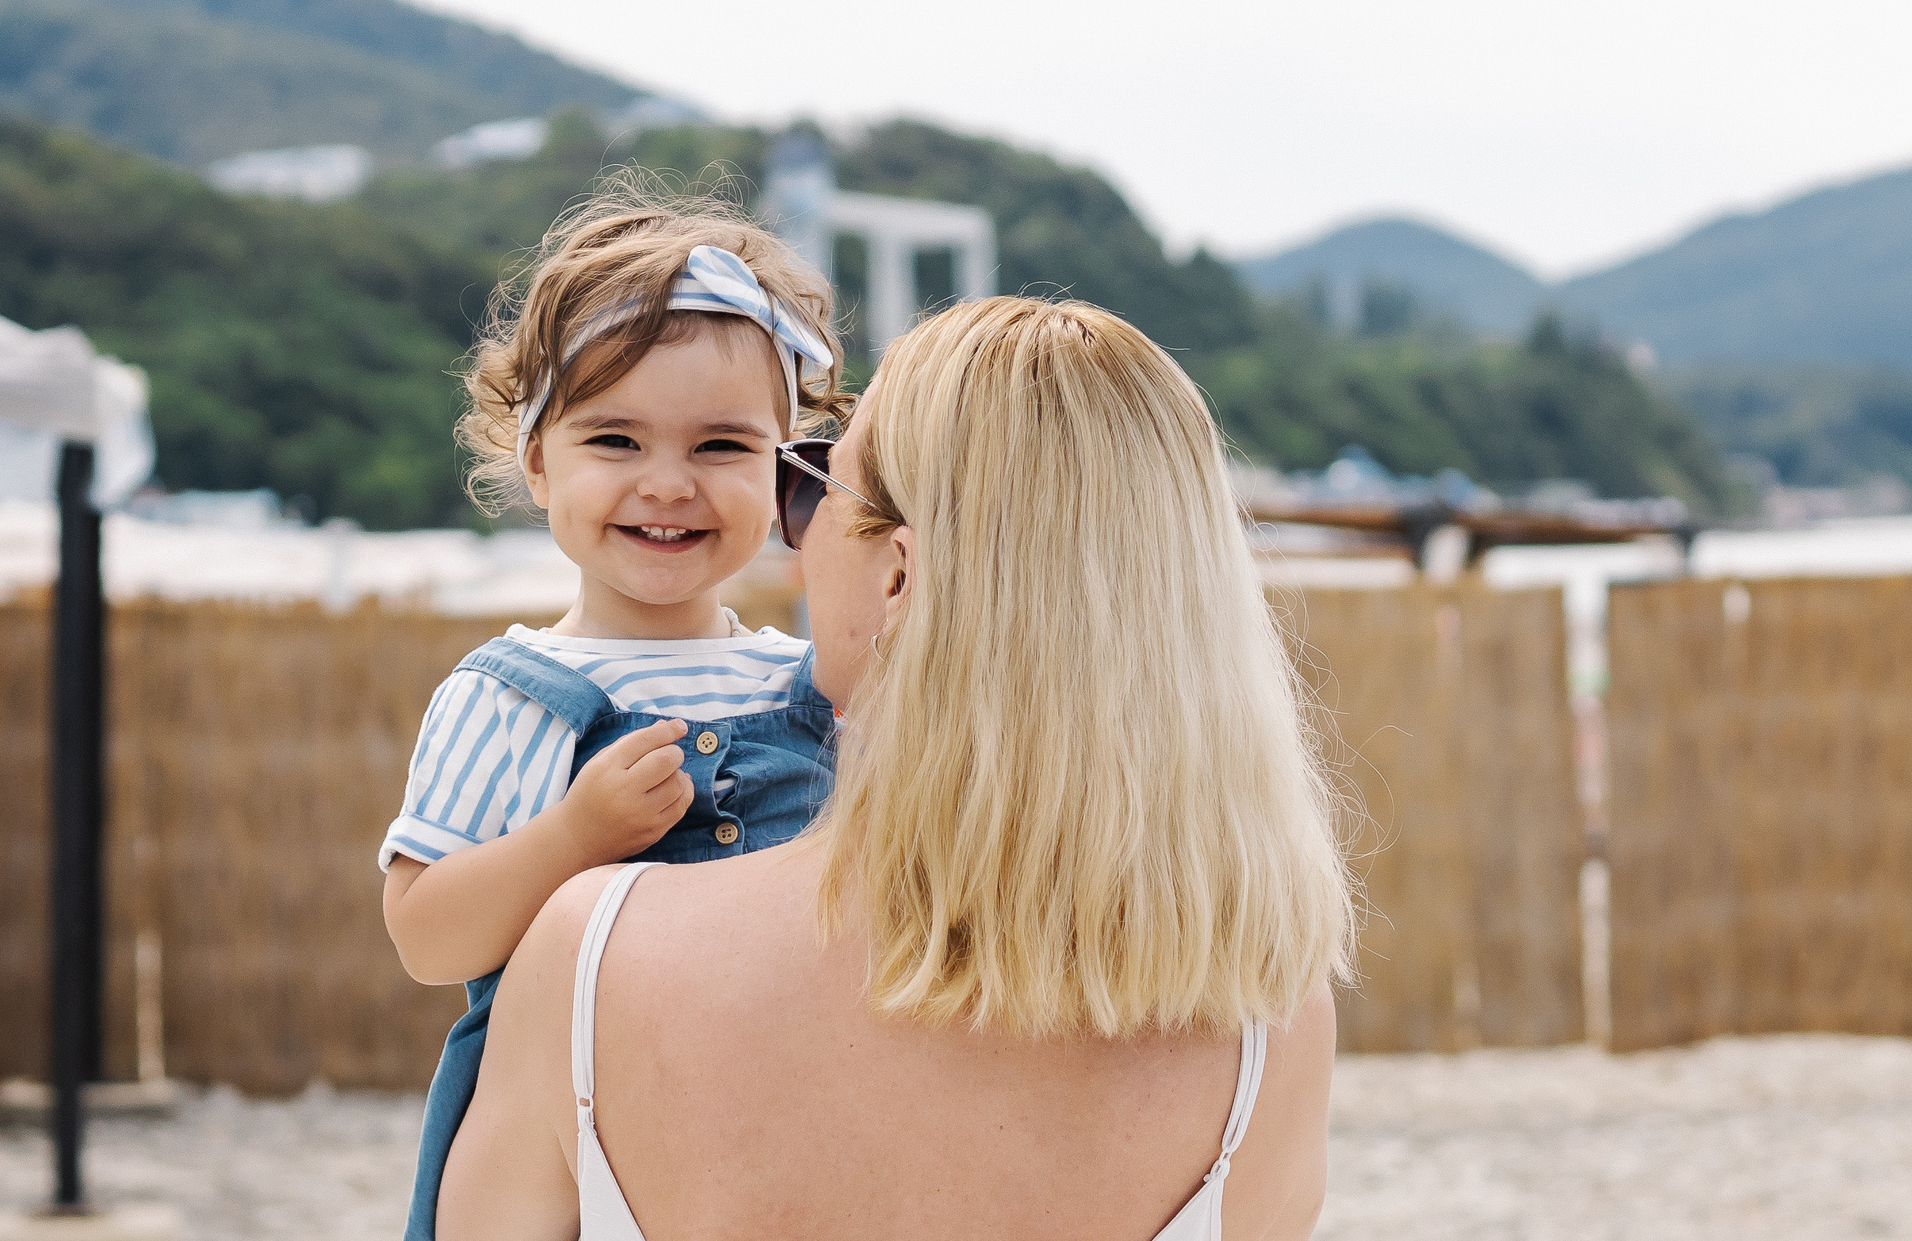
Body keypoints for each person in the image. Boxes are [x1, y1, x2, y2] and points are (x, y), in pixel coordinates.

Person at [443, 295, 1357, 1241]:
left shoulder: (596, 963)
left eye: (815, 489)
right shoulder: (1266, 1025)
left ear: (899, 576)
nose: (794, 543)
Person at [378, 187, 851, 1241]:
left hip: (797, 1108)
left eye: (722, 447)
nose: (668, 485)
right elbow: (423, 931)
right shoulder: (508, 695)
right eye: (617, 442)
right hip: (572, 1128)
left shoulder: (815, 690)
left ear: (787, 470)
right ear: (539, 462)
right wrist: (574, 837)